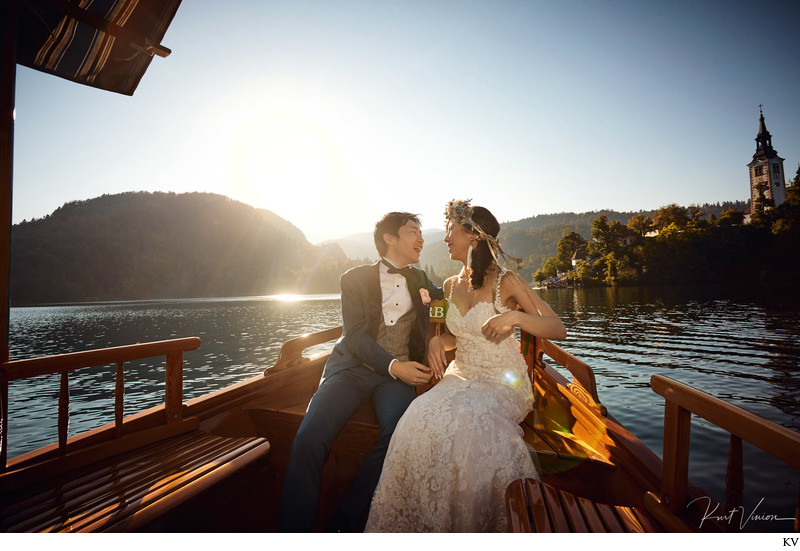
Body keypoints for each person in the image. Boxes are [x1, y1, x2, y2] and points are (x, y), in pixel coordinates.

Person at [364, 200, 567, 532]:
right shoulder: (447, 286)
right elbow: (446, 336)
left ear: (473, 236)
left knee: (466, 424)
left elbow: (557, 328)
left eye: (450, 231)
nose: (444, 239)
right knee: (415, 416)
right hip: (461, 376)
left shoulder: (508, 281)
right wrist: (434, 341)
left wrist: (514, 316)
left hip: (503, 381)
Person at [277, 212, 443, 532]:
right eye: (413, 232)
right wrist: (396, 366)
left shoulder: (422, 280)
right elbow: (354, 336)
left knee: (398, 433)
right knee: (309, 437)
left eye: (421, 232)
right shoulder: (353, 278)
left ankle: (346, 523)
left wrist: (435, 334)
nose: (420, 238)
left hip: (395, 379)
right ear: (389, 238)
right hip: (351, 369)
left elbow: (440, 304)